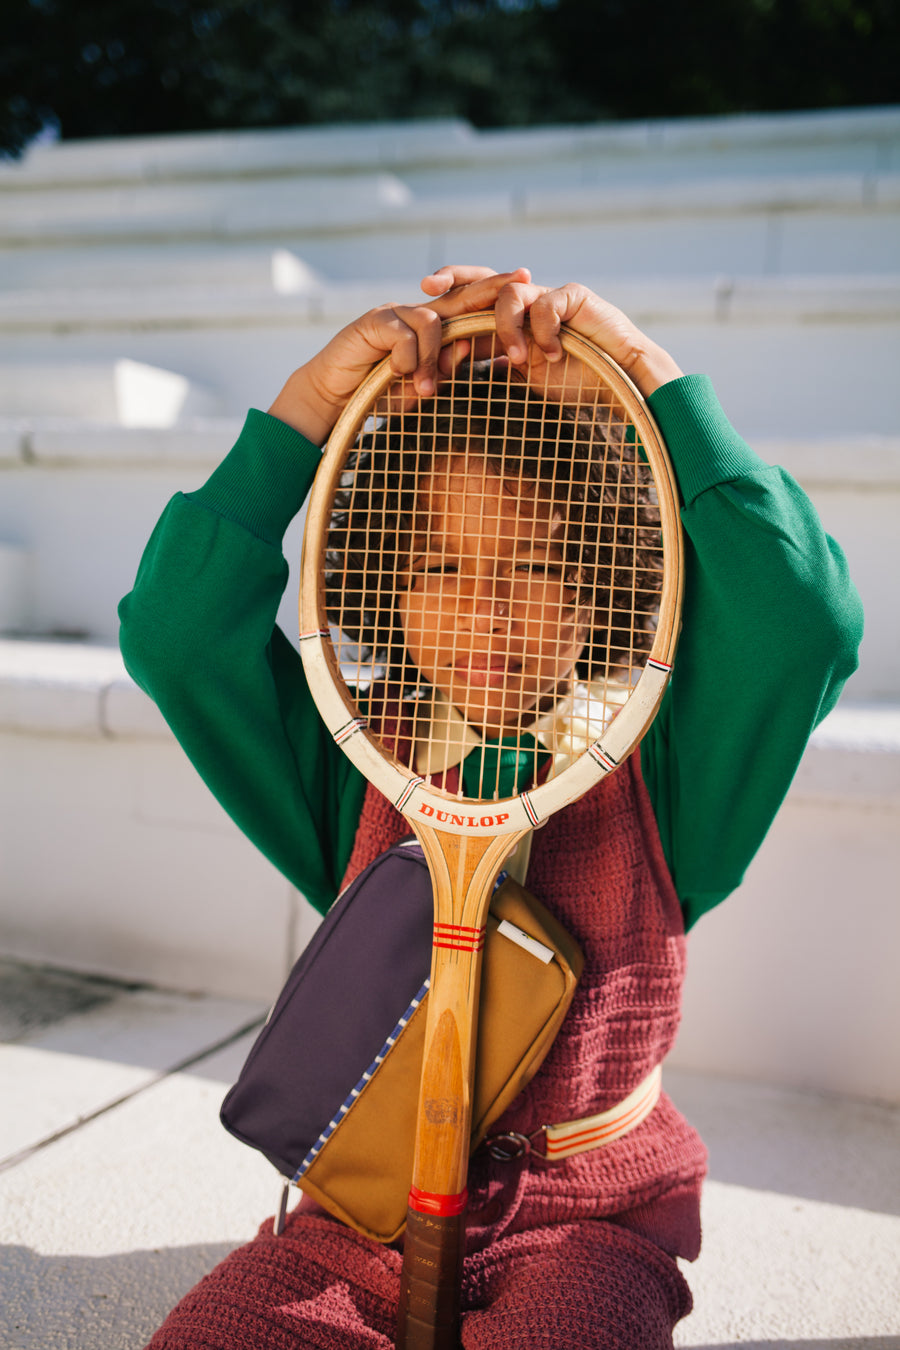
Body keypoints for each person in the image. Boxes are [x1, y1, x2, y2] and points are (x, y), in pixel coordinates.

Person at [119, 267, 863, 1349]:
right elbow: (177, 634)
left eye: (535, 561)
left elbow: (804, 614)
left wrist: (644, 376)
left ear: (607, 578)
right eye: (438, 565)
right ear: (380, 580)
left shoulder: (668, 768)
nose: (484, 604)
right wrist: (304, 411)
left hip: (592, 1222)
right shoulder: (359, 755)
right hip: (360, 1216)